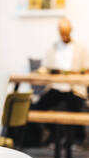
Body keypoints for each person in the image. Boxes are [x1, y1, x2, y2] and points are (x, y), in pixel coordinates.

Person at [32, 17, 89, 145]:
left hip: (74, 88)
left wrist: (75, 73)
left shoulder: (80, 48)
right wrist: (41, 71)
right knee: (38, 107)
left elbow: (86, 69)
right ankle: (55, 133)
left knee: (75, 108)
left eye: (66, 31)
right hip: (56, 87)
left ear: (70, 31)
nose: (64, 35)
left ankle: (76, 140)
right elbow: (46, 66)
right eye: (61, 32)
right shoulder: (53, 48)